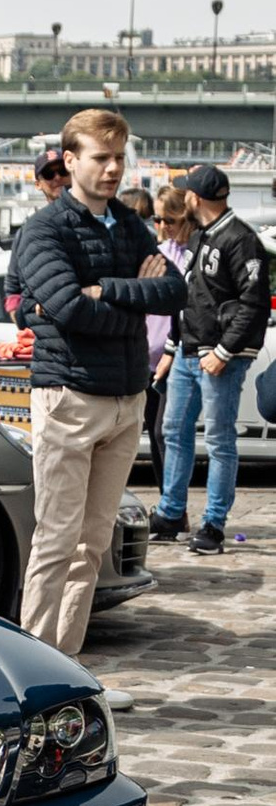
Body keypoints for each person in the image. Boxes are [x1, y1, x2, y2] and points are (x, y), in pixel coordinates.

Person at [11, 107, 170, 651]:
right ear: (70, 160)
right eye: (101, 158)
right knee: (56, 541)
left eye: (120, 158)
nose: (113, 168)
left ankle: (71, 667)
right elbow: (68, 309)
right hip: (70, 396)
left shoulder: (128, 222)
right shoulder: (44, 229)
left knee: (94, 544)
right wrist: (129, 293)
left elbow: (174, 292)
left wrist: (109, 290)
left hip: (127, 399)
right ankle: (31, 672)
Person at [153, 162, 270, 557]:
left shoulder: (241, 239)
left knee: (219, 440)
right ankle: (170, 513)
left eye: (186, 191)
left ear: (195, 198)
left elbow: (253, 303)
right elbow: (194, 297)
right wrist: (173, 348)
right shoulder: (203, 236)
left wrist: (224, 351)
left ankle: (214, 523)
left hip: (219, 355)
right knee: (175, 431)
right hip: (189, 351)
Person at [140, 182, 195, 488]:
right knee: (154, 432)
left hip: (177, 356)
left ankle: (174, 504)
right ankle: (168, 500)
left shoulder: (194, 254)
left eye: (168, 220)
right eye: (157, 220)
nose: (161, 226)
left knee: (167, 431)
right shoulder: (156, 253)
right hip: (147, 357)